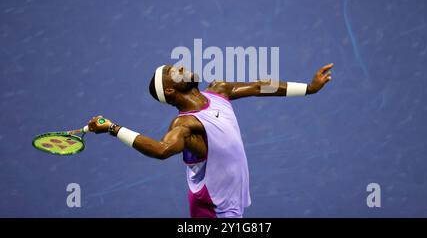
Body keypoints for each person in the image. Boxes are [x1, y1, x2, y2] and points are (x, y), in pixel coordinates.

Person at [87, 63, 333, 218]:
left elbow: (260, 86)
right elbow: (162, 150)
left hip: (232, 201)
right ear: (170, 91)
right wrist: (112, 128)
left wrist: (309, 88)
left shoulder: (219, 90)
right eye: (174, 72)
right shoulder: (184, 125)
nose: (181, 67)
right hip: (212, 210)